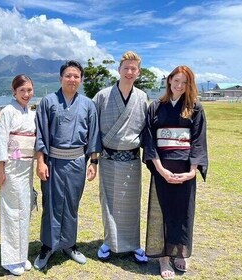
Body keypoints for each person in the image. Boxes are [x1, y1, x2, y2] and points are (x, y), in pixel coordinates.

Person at [33, 60, 101, 270]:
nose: (72, 79)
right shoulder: (48, 102)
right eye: (68, 75)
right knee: (51, 204)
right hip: (53, 162)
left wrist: (94, 162)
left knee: (71, 205)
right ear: (61, 77)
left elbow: (94, 135)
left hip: (77, 162)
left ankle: (69, 245)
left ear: (81, 79)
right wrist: (41, 162)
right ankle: (47, 246)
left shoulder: (88, 104)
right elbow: (40, 134)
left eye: (76, 76)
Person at [142, 66, 208, 280]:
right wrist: (159, 168)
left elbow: (198, 140)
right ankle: (163, 257)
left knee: (183, 211)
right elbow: (149, 139)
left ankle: (180, 251)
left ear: (190, 85)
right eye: (176, 80)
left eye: (184, 82)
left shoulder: (195, 108)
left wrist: (192, 171)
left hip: (185, 168)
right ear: (169, 81)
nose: (179, 85)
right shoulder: (156, 107)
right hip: (162, 167)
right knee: (162, 210)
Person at [92, 51, 149, 263]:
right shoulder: (102, 96)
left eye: (134, 68)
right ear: (119, 70)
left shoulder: (142, 97)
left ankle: (134, 244)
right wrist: (94, 159)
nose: (130, 72)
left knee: (132, 203)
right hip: (108, 158)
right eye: (126, 68)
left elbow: (147, 131)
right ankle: (109, 242)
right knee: (108, 201)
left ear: (138, 72)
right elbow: (94, 130)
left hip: (132, 160)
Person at [0, 74, 36, 276]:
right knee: (11, 213)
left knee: (24, 211)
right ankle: (10, 259)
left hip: (26, 168)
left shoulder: (30, 112)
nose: (26, 94)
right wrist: (0, 170)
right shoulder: (8, 111)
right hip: (11, 168)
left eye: (29, 90)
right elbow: (0, 140)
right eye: (22, 90)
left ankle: (21, 255)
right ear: (14, 92)